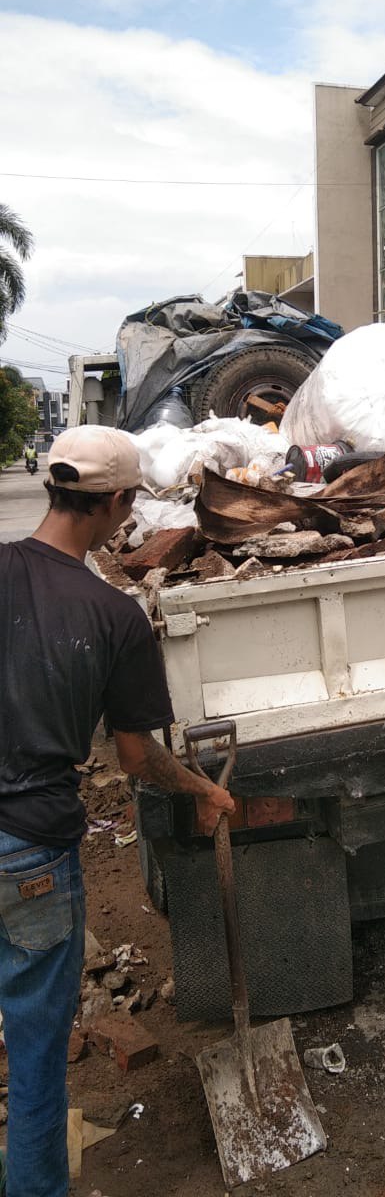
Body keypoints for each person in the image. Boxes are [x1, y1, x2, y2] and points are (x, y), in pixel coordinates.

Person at [0, 426, 234, 1197]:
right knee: (34, 1057)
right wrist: (204, 790)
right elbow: (136, 760)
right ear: (116, 504)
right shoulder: (113, 615)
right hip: (30, 853)